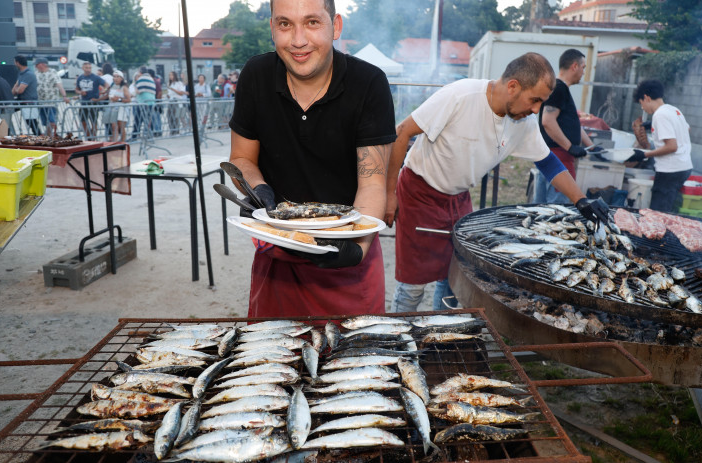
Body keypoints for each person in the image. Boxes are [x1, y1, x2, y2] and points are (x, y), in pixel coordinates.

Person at [385, 52, 610, 313]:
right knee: (413, 284)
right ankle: (398, 337)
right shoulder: (461, 96)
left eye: (542, 102)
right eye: (535, 100)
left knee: (456, 274)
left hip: (458, 198)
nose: (536, 109)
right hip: (419, 193)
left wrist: (581, 200)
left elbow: (548, 162)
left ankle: (437, 334)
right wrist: (389, 193)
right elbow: (402, 132)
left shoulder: (523, 121)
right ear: (513, 86)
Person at [229, 0, 396, 318]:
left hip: (349, 252)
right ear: (272, 28)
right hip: (278, 253)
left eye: (312, 23)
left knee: (355, 364)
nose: (298, 40)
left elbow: (372, 181)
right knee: (273, 361)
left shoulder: (369, 83)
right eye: (285, 24)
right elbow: (240, 158)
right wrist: (257, 188)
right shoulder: (256, 74)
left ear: (336, 26)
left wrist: (355, 250)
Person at [535, 49, 602, 204]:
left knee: (543, 207)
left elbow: (573, 125)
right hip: (559, 159)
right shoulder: (558, 88)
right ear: (574, 66)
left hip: (554, 156)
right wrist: (570, 147)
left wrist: (591, 147)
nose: (583, 72)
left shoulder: (560, 89)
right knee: (557, 209)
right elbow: (548, 120)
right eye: (583, 67)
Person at [625, 79, 693, 212]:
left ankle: (660, 232)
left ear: (646, 98)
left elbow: (672, 146)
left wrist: (643, 154)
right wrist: (653, 125)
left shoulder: (660, 115)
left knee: (658, 212)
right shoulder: (673, 110)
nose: (642, 107)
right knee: (669, 207)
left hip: (670, 170)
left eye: (641, 103)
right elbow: (687, 129)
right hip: (684, 167)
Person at [34, 58, 69, 137]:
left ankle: (48, 135)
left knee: (52, 121)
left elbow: (59, 84)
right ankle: (49, 136)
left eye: (37, 64)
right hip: (40, 103)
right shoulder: (36, 73)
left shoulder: (52, 72)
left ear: (43, 64)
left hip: (51, 102)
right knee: (45, 122)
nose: (36, 66)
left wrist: (64, 96)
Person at [74, 61, 106, 140]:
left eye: (90, 68)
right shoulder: (80, 78)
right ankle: (88, 136)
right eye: (86, 68)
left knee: (93, 122)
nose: (88, 69)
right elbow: (77, 89)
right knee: (83, 121)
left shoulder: (96, 77)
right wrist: (80, 92)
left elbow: (106, 85)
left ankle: (93, 138)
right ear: (83, 68)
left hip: (93, 103)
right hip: (84, 103)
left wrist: (103, 91)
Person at [12, 55, 42, 135]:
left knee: (32, 122)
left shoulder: (28, 74)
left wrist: (16, 89)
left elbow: (20, 90)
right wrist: (16, 89)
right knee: (8, 111)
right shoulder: (21, 74)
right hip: (23, 101)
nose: (14, 64)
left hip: (28, 102)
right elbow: (15, 90)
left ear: (18, 63)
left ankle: (39, 136)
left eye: (14, 62)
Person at [103, 70, 130, 142]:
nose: (116, 78)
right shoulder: (112, 86)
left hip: (121, 109)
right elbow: (106, 91)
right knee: (114, 126)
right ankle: (115, 142)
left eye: (118, 77)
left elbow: (128, 99)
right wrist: (98, 98)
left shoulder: (124, 87)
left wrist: (119, 100)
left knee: (121, 126)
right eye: (114, 77)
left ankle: (123, 141)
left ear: (121, 78)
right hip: (112, 108)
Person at [132, 67, 156, 138]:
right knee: (149, 120)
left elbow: (138, 91)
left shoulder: (141, 79)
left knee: (137, 120)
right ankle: (150, 135)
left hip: (143, 102)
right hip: (151, 102)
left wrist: (135, 87)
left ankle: (135, 135)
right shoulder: (151, 79)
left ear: (140, 72)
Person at [166, 71, 187, 135]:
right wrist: (168, 95)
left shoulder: (179, 83)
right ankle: (171, 129)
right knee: (169, 116)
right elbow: (170, 93)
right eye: (169, 75)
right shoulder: (170, 84)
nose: (170, 77)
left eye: (171, 75)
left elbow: (181, 93)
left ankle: (176, 129)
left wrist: (173, 90)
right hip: (171, 101)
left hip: (177, 101)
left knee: (176, 116)